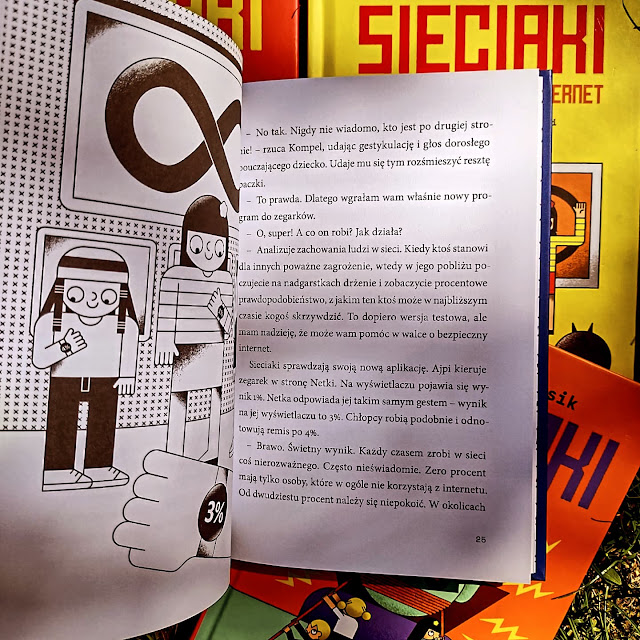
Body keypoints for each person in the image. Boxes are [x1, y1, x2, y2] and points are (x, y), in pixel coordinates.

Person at [33, 246, 139, 491]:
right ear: (62, 289)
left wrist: (127, 375)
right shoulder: (50, 320)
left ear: (121, 294)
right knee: (62, 421)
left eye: (107, 297)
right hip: (65, 379)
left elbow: (130, 345)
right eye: (77, 294)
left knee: (103, 422)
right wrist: (65, 347)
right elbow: (39, 359)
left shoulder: (125, 324)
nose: (92, 302)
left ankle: (99, 466)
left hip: (107, 380)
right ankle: (58, 469)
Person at [155, 194, 233, 460]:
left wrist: (220, 309)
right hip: (185, 346)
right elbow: (166, 311)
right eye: (199, 246)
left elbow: (230, 324)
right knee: (179, 395)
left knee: (217, 395)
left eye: (217, 249)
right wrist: (164, 340)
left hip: (214, 345)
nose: (209, 254)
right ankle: (175, 448)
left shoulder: (225, 280)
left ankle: (214, 447)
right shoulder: (175, 275)